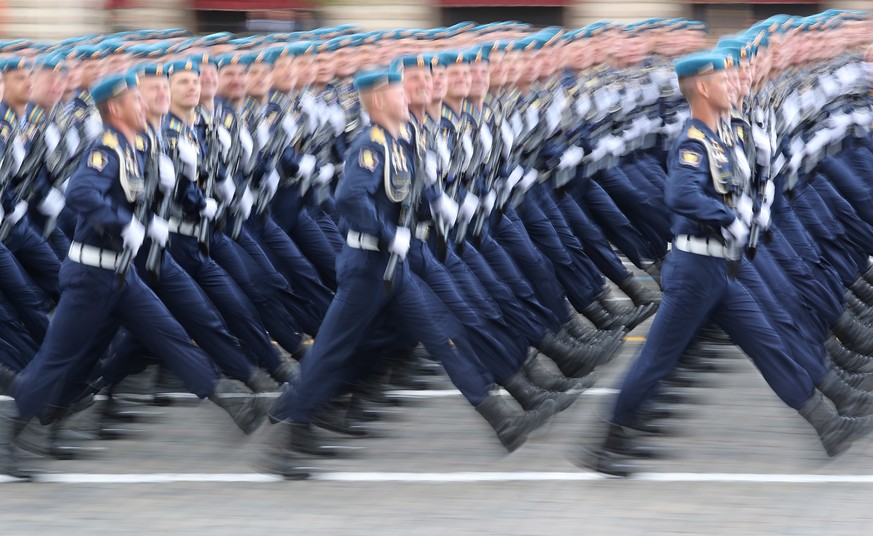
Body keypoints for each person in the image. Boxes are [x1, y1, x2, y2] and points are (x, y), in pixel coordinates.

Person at [577, 51, 873, 478]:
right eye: (721, 79)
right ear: (701, 87)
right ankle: (608, 442)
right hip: (694, 269)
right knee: (657, 359)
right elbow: (680, 196)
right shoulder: (693, 142)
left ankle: (825, 424)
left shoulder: (723, 138)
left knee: (767, 343)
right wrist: (728, 218)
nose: (730, 85)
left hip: (722, 270)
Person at [258, 69, 558, 479]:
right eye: (396, 94)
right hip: (366, 267)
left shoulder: (405, 140)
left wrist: (436, 204)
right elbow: (349, 197)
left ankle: (500, 418)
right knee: (330, 352)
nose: (405, 99)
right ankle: (292, 438)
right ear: (378, 102)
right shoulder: (370, 145)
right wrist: (385, 233)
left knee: (441, 331)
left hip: (393, 268)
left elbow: (420, 183)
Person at [0, 74, 266, 479]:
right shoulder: (105, 150)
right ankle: (9, 439)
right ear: (115, 108)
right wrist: (123, 224)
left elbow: (166, 191)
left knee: (170, 334)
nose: (143, 106)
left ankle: (229, 399)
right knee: (57, 359)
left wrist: (196, 197)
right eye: (135, 101)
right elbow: (80, 194)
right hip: (90, 276)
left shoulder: (139, 146)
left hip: (122, 275)